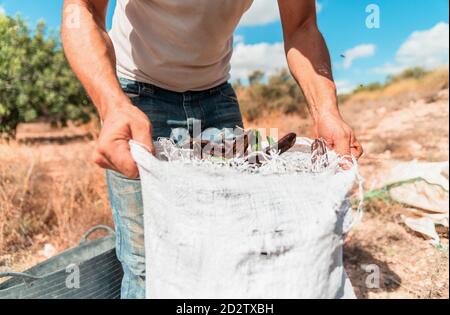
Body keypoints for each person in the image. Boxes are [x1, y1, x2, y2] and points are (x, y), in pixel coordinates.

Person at [62, 0, 363, 299]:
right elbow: (82, 8)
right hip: (137, 99)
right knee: (146, 261)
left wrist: (327, 112)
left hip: (216, 99)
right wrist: (113, 106)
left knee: (233, 246)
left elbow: (302, 26)